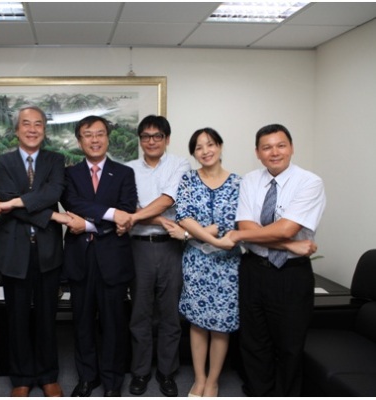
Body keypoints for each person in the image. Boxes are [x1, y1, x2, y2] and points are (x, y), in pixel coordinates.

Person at [226, 123, 326, 396]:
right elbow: (245, 228)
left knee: (290, 344)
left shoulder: (310, 182)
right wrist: (291, 245)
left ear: (291, 148)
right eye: (267, 147)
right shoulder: (249, 180)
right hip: (254, 270)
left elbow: (285, 227)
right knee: (254, 342)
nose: (274, 152)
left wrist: (284, 239)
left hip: (291, 274)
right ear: (257, 153)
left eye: (281, 145)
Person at [0, 106, 69, 397]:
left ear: (44, 130)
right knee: (17, 317)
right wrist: (51, 216)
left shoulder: (55, 160)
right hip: (14, 251)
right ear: (17, 129)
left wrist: (15, 203)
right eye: (26, 124)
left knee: (48, 318)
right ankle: (21, 378)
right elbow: (7, 199)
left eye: (38, 124)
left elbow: (53, 193)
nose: (32, 129)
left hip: (48, 251)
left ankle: (48, 376)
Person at [61, 115, 138, 397]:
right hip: (80, 259)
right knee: (81, 322)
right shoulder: (69, 174)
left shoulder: (124, 173)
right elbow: (72, 203)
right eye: (88, 134)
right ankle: (86, 377)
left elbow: (127, 210)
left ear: (107, 137)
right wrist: (109, 213)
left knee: (113, 324)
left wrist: (88, 224)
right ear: (79, 140)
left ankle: (112, 381)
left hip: (113, 259)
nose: (95, 139)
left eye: (100, 134)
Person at [166, 128, 242, 397]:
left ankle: (213, 381)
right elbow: (183, 216)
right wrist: (213, 238)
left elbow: (231, 222)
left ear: (220, 147)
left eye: (210, 144)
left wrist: (192, 234)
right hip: (196, 260)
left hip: (227, 265)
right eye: (199, 147)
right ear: (194, 153)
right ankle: (199, 379)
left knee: (221, 324)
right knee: (198, 323)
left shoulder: (237, 183)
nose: (205, 151)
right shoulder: (187, 179)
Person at [123, 115, 190, 397]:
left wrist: (140, 216)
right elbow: (126, 208)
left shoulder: (180, 165)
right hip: (137, 248)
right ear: (140, 140)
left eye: (157, 136)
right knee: (139, 313)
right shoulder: (127, 169)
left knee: (169, 314)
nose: (151, 141)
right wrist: (160, 219)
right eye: (146, 136)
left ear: (167, 139)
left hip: (171, 248)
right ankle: (140, 372)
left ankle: (166, 372)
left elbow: (168, 198)